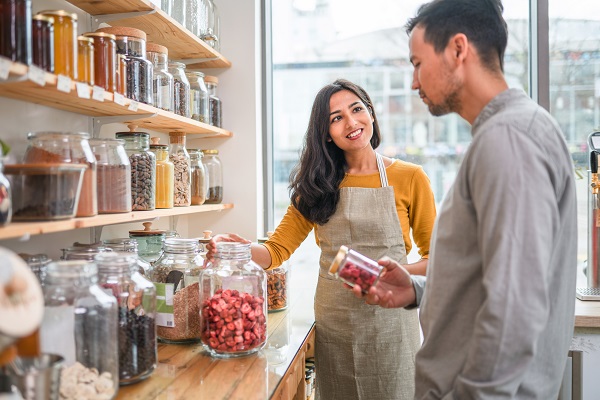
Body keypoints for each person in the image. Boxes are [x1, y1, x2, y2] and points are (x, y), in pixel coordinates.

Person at [352, 1, 578, 399]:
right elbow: (491, 277)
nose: (414, 83)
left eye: (418, 64)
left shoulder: (509, 140)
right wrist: (419, 289)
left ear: (458, 50)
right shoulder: (510, 132)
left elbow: (515, 308)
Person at [206, 78, 437, 400]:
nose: (351, 122)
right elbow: (276, 250)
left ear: (371, 113)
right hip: (336, 320)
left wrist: (394, 275)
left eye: (357, 109)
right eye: (336, 118)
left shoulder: (410, 177)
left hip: (393, 319)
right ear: (326, 133)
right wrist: (240, 251)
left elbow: (437, 262)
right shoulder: (316, 186)